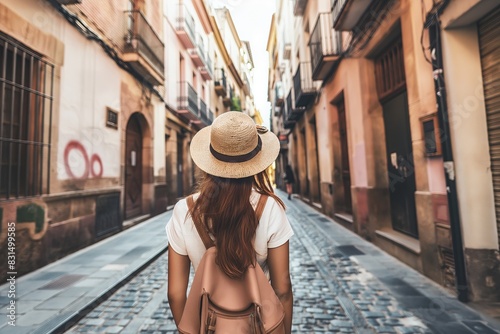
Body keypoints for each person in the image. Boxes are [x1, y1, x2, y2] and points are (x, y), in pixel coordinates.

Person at [166, 112, 294, 333]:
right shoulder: (271, 209)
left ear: (211, 159)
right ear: (255, 162)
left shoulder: (184, 211)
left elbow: (175, 293)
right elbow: (283, 289)